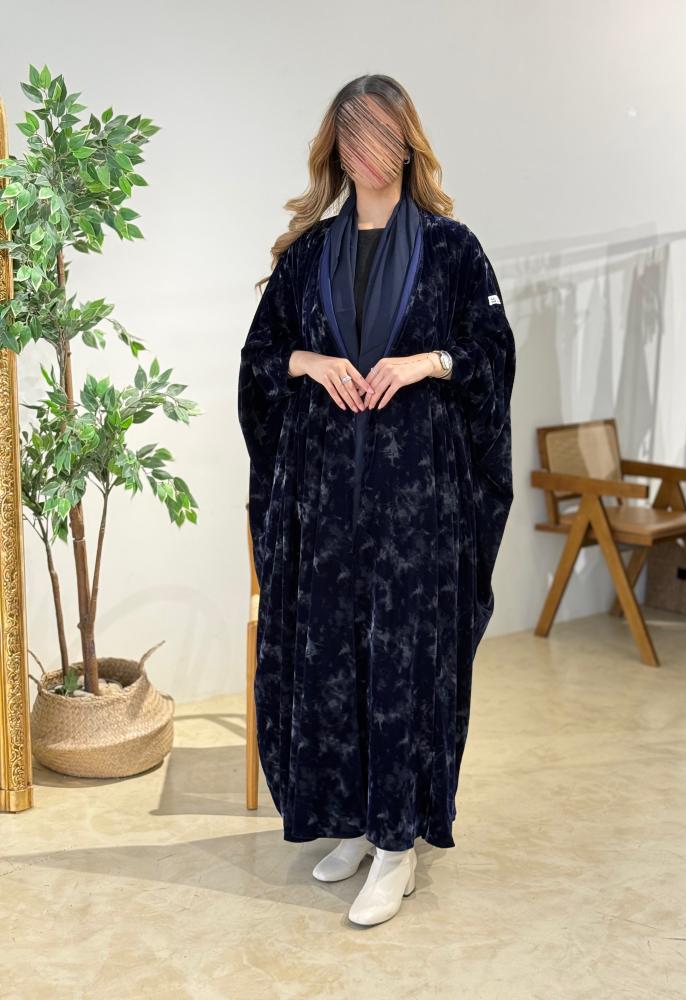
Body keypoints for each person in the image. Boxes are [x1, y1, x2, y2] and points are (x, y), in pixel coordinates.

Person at [237, 73, 515, 926]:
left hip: (415, 507)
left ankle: (399, 846)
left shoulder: (454, 249)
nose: (367, 150)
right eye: (352, 134)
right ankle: (357, 825)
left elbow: (492, 353)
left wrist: (425, 362)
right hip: (325, 504)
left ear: (407, 141)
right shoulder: (308, 254)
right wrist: (311, 363)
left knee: (401, 666)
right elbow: (259, 358)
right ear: (335, 147)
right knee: (333, 662)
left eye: (382, 133)